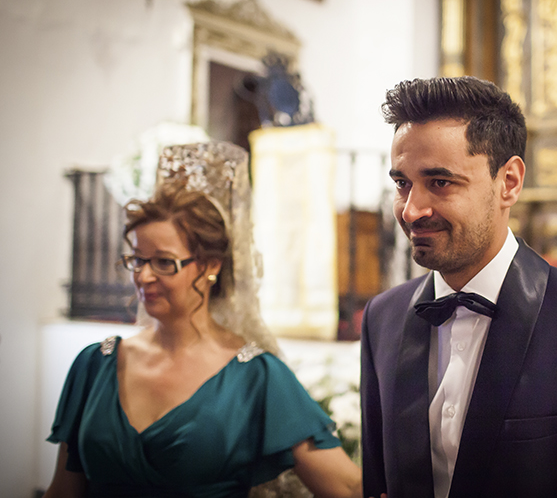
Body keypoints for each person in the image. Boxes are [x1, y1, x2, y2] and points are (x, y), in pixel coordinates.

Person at [360, 77, 557, 498]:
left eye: (440, 182)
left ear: (509, 182)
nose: (411, 210)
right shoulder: (382, 319)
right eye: (402, 183)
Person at [44, 142, 362, 498]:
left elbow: (346, 487)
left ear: (211, 265)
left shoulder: (255, 378)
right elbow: (63, 490)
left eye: (163, 262)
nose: (144, 277)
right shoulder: (94, 365)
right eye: (137, 260)